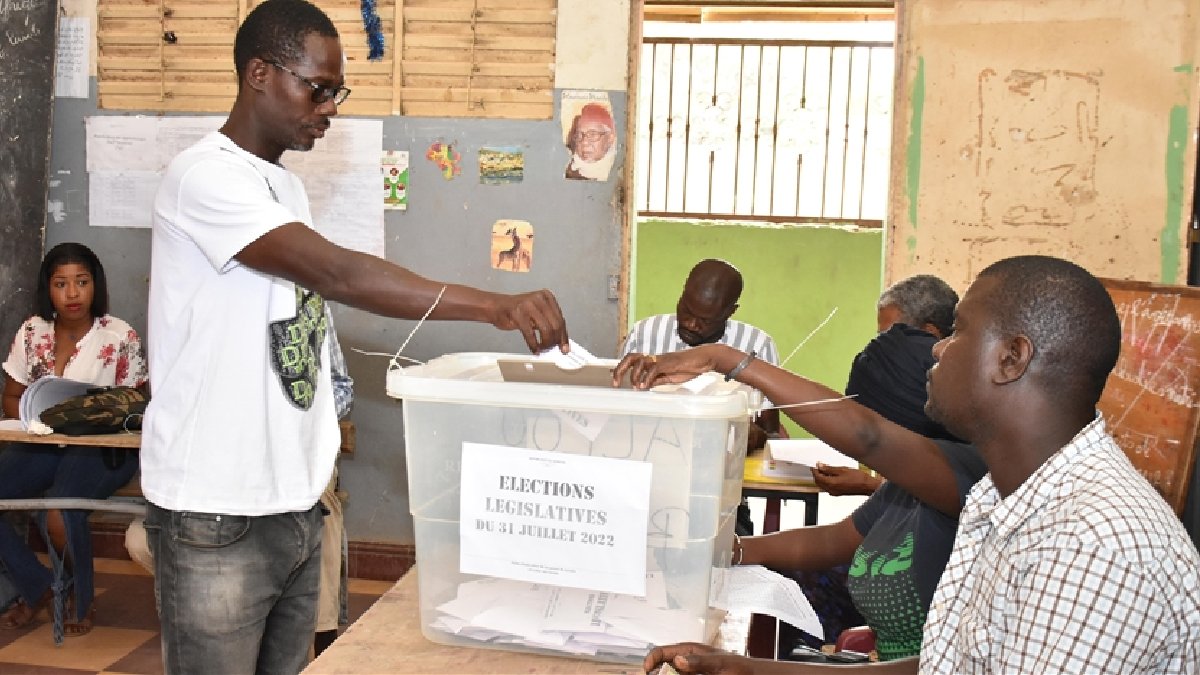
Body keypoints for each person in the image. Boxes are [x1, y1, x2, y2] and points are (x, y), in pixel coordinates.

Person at [140, 1, 569, 673]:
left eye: (337, 90)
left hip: (292, 506)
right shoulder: (204, 178)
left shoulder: (281, 185)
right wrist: (493, 305)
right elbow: (338, 273)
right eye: (318, 87)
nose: (330, 106)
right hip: (218, 512)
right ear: (259, 73)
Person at [629, 255, 1200, 674]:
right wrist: (747, 669)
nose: (936, 347)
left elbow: (869, 437)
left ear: (1011, 359)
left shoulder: (1091, 547)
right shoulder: (1004, 500)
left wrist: (728, 361)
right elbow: (943, 668)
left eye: (958, 333)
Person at [0, 242, 148, 638]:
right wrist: (30, 416)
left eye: (81, 282)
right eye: (61, 284)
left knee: (59, 510)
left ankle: (81, 599)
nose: (72, 294)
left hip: (102, 448)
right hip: (43, 442)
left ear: (95, 286)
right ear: (47, 289)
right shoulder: (33, 331)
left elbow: (136, 406)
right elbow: (11, 396)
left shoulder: (119, 336)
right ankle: (39, 588)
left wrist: (89, 417)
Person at [620, 258, 781, 536]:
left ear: (730, 311)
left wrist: (733, 432)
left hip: (718, 492)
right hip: (647, 483)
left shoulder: (756, 345)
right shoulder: (645, 334)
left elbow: (769, 429)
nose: (691, 324)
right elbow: (619, 407)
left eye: (705, 320)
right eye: (686, 311)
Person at [812, 274, 959, 497]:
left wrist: (870, 486)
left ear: (930, 334)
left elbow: (955, 498)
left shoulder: (961, 413)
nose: (879, 346)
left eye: (891, 335)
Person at [564, 102, 617, 180]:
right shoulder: (565, 169)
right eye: (579, 135)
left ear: (610, 138)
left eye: (592, 134)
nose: (584, 142)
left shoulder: (619, 173)